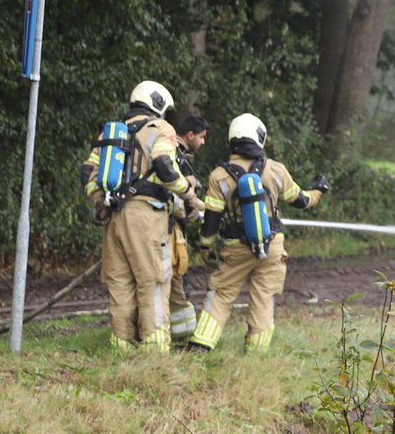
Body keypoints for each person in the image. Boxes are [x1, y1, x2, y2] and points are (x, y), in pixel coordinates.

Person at [187, 114, 327, 353]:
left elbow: (211, 220)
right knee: (264, 297)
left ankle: (202, 343)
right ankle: (256, 351)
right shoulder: (275, 170)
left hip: (236, 247)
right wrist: (318, 191)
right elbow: (301, 200)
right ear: (259, 137)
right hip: (272, 246)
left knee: (221, 293)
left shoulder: (219, 176)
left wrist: (206, 248)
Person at [81, 81, 202, 352]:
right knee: (154, 282)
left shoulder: (113, 132)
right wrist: (189, 196)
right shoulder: (161, 129)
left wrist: (99, 201)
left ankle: (122, 349)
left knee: (120, 284)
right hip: (147, 217)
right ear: (157, 104)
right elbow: (163, 164)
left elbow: (88, 171)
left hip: (113, 216)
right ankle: (154, 353)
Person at [166, 113, 210, 345]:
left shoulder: (176, 154)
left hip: (172, 230)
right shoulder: (177, 157)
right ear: (190, 135)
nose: (203, 142)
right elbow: (176, 199)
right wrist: (193, 209)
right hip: (170, 232)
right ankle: (181, 337)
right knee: (176, 284)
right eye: (201, 137)